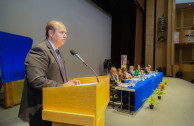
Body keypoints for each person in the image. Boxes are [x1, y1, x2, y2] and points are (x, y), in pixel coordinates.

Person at [18, 20, 80, 126]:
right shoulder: (40, 50)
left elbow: (54, 76)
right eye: (62, 32)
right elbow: (36, 80)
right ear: (50, 33)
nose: (65, 36)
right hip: (41, 109)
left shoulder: (57, 51)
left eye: (66, 33)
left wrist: (68, 82)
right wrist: (62, 86)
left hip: (54, 104)